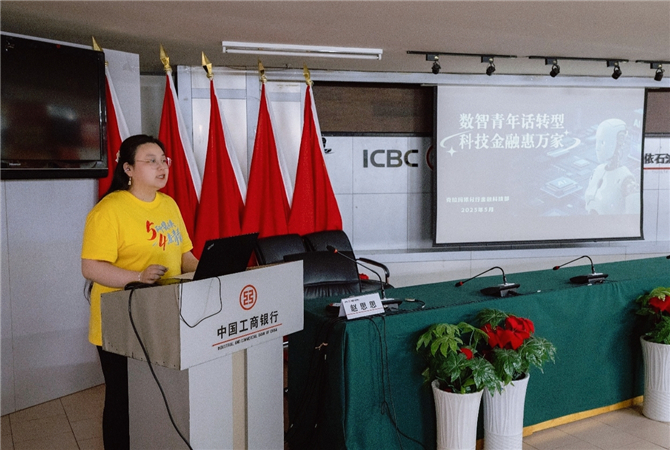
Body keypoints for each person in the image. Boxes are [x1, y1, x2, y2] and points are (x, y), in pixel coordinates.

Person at [81, 134, 198, 449]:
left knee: (156, 395)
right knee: (123, 398)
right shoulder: (109, 210)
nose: (161, 167)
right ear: (128, 169)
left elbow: (184, 255)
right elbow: (90, 267)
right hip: (120, 322)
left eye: (164, 160)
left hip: (162, 315)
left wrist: (209, 269)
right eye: (151, 161)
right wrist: (137, 277)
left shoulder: (168, 205)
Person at [584, 118, 640, 215]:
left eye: (602, 142)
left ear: (620, 140)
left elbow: (632, 218)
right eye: (597, 142)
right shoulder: (598, 171)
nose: (597, 148)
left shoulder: (627, 181)